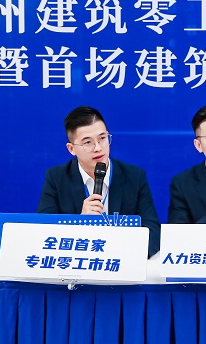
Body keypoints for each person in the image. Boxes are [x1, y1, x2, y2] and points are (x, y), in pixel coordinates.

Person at [37, 106, 161, 257]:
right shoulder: (57, 178)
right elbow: (43, 233)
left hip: (120, 262)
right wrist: (80, 223)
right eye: (87, 142)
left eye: (102, 138)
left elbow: (153, 233)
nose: (98, 148)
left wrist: (115, 255)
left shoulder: (134, 176)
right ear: (71, 149)